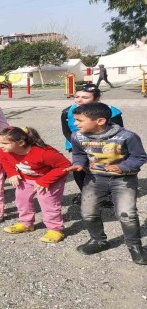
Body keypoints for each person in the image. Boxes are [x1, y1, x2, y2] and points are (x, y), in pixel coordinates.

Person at [65, 103, 147, 265]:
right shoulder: (77, 136)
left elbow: (139, 157)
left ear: (100, 120)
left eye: (79, 120)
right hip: (94, 179)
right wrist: (79, 164)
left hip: (123, 179)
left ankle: (135, 246)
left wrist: (122, 167)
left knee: (127, 214)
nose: (75, 124)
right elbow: (79, 153)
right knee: (88, 212)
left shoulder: (127, 136)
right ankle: (98, 240)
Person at [0, 127, 71, 243]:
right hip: (27, 178)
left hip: (50, 179)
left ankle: (55, 229)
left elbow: (65, 166)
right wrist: (12, 173)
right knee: (22, 199)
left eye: (4, 143)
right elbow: (4, 159)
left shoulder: (43, 153)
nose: (0, 146)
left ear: (21, 143)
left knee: (47, 201)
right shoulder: (5, 150)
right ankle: (26, 223)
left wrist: (45, 180)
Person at [61, 84, 123, 206]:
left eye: (85, 97)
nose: (79, 100)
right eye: (77, 96)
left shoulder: (111, 111)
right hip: (78, 144)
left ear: (96, 98)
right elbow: (66, 131)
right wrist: (79, 144)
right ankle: (84, 192)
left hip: (104, 145)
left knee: (103, 168)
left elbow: (118, 130)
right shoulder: (67, 112)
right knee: (80, 168)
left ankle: (107, 194)